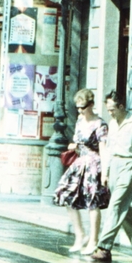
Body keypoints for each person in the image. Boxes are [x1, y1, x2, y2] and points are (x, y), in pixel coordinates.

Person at [93, 90, 132, 263]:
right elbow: (109, 150)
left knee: (115, 206)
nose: (110, 113)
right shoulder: (112, 124)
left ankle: (104, 247)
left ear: (121, 106)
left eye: (112, 109)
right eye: (108, 109)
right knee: (124, 209)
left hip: (130, 165)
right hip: (114, 165)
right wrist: (105, 172)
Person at [51, 89, 110, 254]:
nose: (80, 111)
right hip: (80, 162)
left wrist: (105, 172)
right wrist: (73, 146)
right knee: (65, 194)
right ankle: (80, 234)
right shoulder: (79, 121)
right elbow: (76, 142)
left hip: (94, 164)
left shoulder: (100, 124)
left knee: (93, 201)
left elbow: (104, 150)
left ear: (91, 104)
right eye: (78, 107)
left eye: (82, 107)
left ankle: (93, 240)